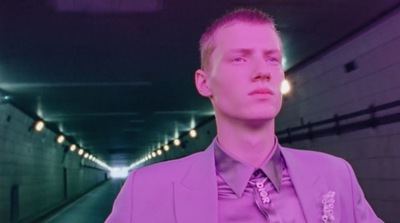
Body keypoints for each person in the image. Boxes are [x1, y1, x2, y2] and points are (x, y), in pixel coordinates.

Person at [106, 8, 382, 223]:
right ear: (204, 83)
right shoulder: (146, 190)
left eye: (272, 59)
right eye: (240, 58)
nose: (262, 71)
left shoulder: (335, 175)